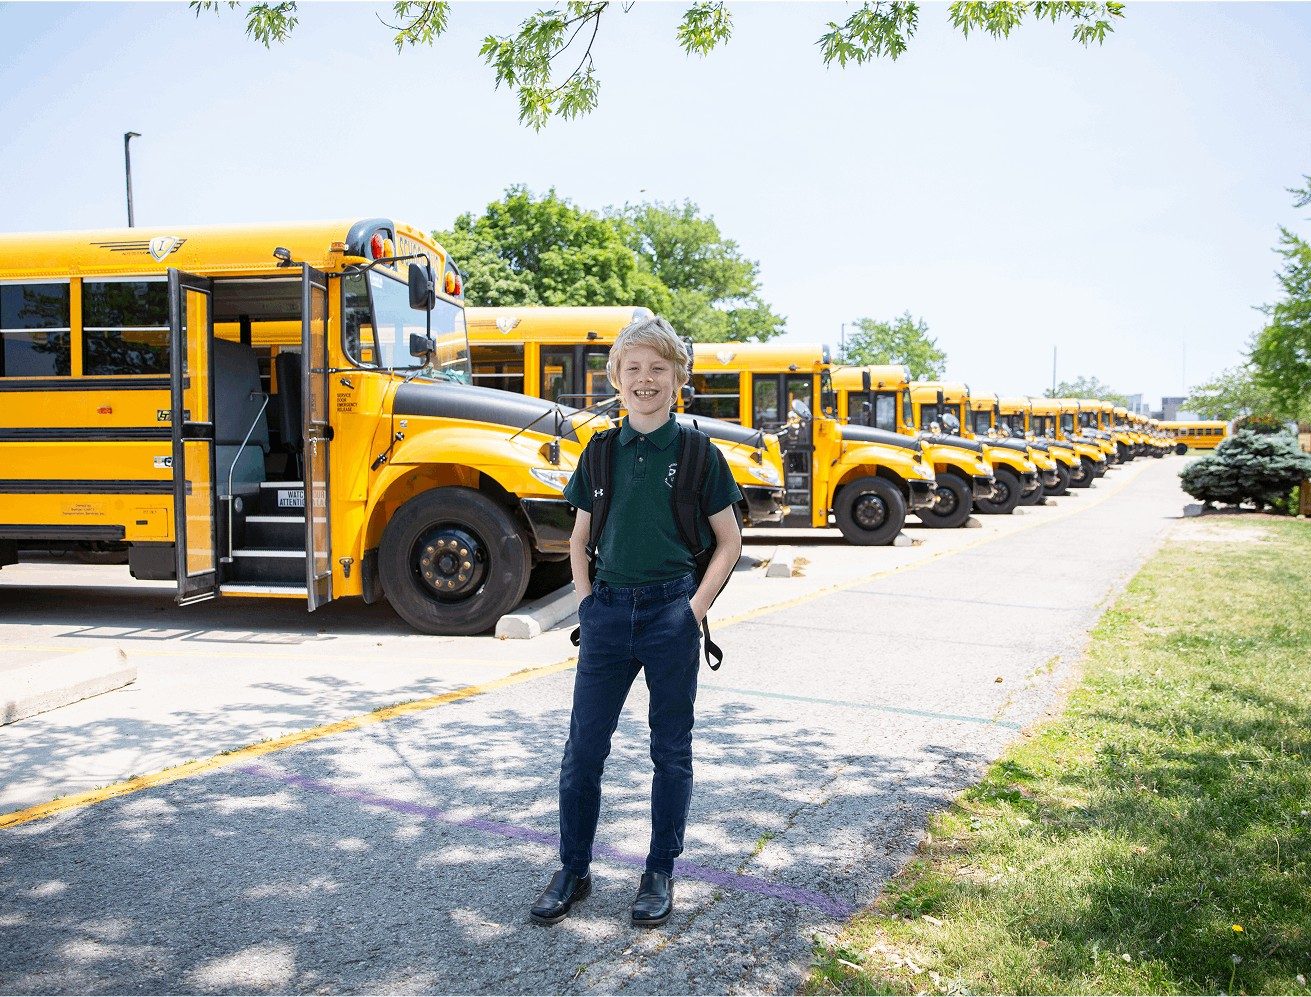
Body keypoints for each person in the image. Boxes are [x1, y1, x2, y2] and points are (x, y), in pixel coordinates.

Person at [529, 315, 743, 929]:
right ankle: (573, 867)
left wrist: (692, 612)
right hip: (607, 615)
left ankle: (659, 871)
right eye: (633, 369)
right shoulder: (599, 453)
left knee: (669, 751)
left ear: (678, 379)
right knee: (583, 751)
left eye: (657, 369)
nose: (644, 379)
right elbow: (579, 537)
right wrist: (588, 600)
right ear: (616, 379)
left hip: (670, 612)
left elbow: (728, 541)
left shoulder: (700, 454)